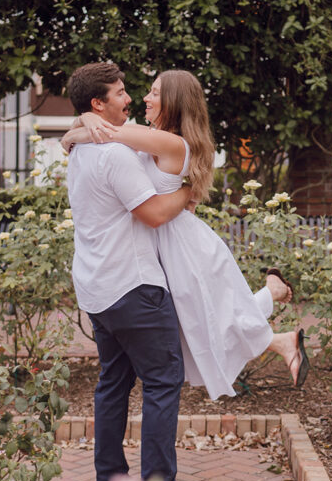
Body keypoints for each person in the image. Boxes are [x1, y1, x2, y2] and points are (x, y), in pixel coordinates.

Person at [62, 68, 309, 401]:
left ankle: (273, 298)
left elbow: (102, 135)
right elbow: (84, 138)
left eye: (154, 93)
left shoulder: (167, 141)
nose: (143, 98)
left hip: (180, 243)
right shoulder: (151, 134)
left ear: (173, 103)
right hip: (163, 242)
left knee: (208, 319)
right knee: (206, 319)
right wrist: (87, 122)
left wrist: (86, 124)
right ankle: (276, 317)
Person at [65, 62, 211, 481]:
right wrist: (187, 193)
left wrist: (81, 127)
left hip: (95, 286)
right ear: (98, 104)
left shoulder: (83, 151)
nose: (129, 99)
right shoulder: (114, 154)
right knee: (163, 381)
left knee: (113, 382)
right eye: (122, 93)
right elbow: (150, 214)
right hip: (133, 285)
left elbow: (73, 138)